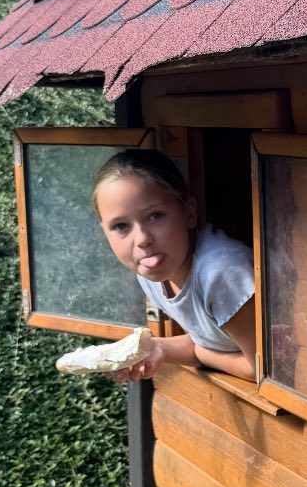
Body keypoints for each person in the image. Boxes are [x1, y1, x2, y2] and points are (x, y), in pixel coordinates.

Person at [91, 148, 256, 383]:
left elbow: (261, 369)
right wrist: (158, 348)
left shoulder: (221, 273)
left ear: (189, 213)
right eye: (121, 226)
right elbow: (211, 341)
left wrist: (200, 354)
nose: (142, 239)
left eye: (155, 216)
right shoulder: (150, 276)